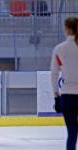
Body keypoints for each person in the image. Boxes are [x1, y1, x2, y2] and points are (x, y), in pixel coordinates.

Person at [51, 17, 78, 150]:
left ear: (67, 29)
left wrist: (56, 97)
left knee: (72, 133)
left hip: (68, 95)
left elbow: (54, 74)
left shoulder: (59, 49)